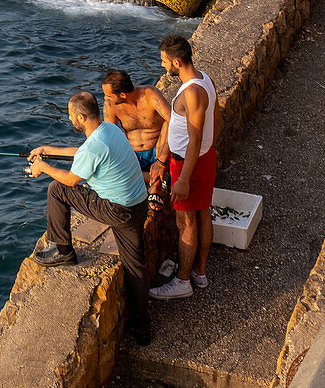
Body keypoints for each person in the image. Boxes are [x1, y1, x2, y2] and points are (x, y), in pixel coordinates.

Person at [28, 91, 151, 344]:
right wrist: (48, 150)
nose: (70, 118)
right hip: (138, 204)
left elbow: (71, 180)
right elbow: (83, 152)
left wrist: (43, 167)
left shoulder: (94, 147)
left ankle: (62, 250)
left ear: (82, 117)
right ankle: (142, 330)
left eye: (72, 115)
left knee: (57, 190)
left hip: (117, 210)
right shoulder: (110, 129)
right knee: (135, 266)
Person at [149, 36, 220, 300]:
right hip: (204, 158)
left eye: (164, 61)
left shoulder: (191, 92)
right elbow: (217, 120)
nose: (162, 65)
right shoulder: (206, 79)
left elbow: (194, 138)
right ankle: (198, 273)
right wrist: (209, 151)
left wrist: (183, 179)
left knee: (186, 222)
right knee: (203, 214)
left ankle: (182, 282)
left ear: (176, 62)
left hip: (188, 164)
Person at [102, 70, 171, 207]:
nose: (105, 99)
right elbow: (111, 136)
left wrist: (161, 160)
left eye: (108, 95)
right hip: (133, 154)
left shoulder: (150, 95)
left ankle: (154, 185)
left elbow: (174, 121)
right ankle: (154, 181)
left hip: (157, 149)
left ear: (122, 94)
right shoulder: (111, 106)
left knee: (168, 125)